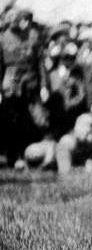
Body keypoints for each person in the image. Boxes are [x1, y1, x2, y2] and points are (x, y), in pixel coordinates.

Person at [0, 9, 49, 168]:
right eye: (22, 20)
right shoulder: (3, 39)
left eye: (28, 21)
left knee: (36, 122)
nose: (25, 24)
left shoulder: (34, 37)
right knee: (12, 123)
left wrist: (43, 86)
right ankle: (14, 157)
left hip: (31, 86)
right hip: (11, 87)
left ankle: (37, 157)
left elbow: (41, 65)